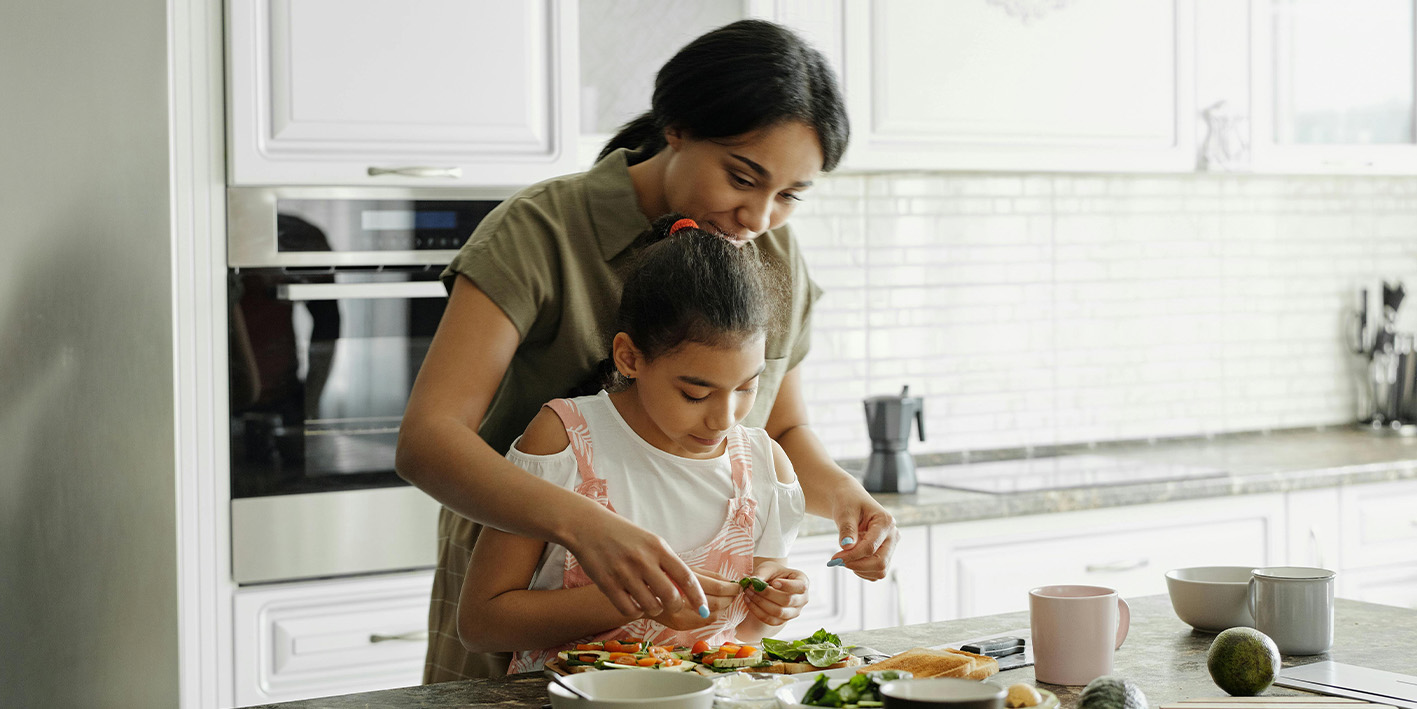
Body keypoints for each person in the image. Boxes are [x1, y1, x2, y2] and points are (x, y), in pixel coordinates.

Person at [396, 18, 900, 682]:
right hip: (522, 590)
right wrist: (586, 527)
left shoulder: (770, 250)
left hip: (687, 650)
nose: (758, 216)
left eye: (788, 196)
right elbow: (428, 439)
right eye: (742, 177)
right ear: (677, 128)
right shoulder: (540, 230)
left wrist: (843, 497)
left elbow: (778, 427)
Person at [458, 215, 808, 672]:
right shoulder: (565, 441)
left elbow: (744, 636)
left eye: (747, 387)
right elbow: (481, 624)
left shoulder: (764, 467)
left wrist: (774, 608)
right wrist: (635, 601)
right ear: (629, 357)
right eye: (695, 393)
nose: (725, 418)